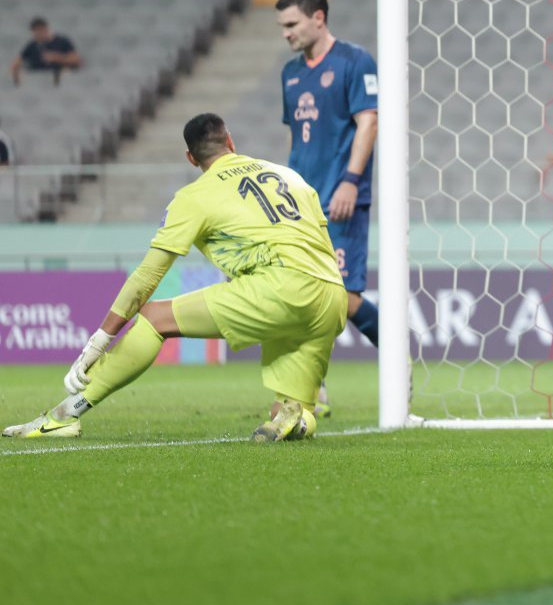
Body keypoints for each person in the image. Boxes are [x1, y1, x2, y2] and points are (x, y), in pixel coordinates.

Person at [2, 114, 346, 441]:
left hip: (281, 288)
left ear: (190, 157)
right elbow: (320, 236)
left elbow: (149, 273)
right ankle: (298, 422)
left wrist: (101, 339)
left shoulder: (195, 196)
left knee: (153, 317)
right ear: (230, 140)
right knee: (287, 411)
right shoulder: (289, 176)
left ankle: (64, 416)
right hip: (331, 294)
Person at [276, 0, 380, 418]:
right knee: (299, 293)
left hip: (341, 199)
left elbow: (369, 121)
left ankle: (396, 357)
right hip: (300, 203)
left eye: (292, 24)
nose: (286, 34)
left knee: (343, 297)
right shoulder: (291, 73)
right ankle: (311, 388)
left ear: (318, 18)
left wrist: (350, 181)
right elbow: (298, 138)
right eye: (282, 27)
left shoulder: (355, 62)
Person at [11, 17, 81, 85]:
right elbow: (16, 63)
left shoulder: (62, 41)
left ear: (46, 29)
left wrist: (58, 58)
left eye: (40, 30)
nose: (38, 34)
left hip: (59, 76)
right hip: (37, 78)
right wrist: (17, 80)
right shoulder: (32, 46)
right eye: (36, 31)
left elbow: (76, 60)